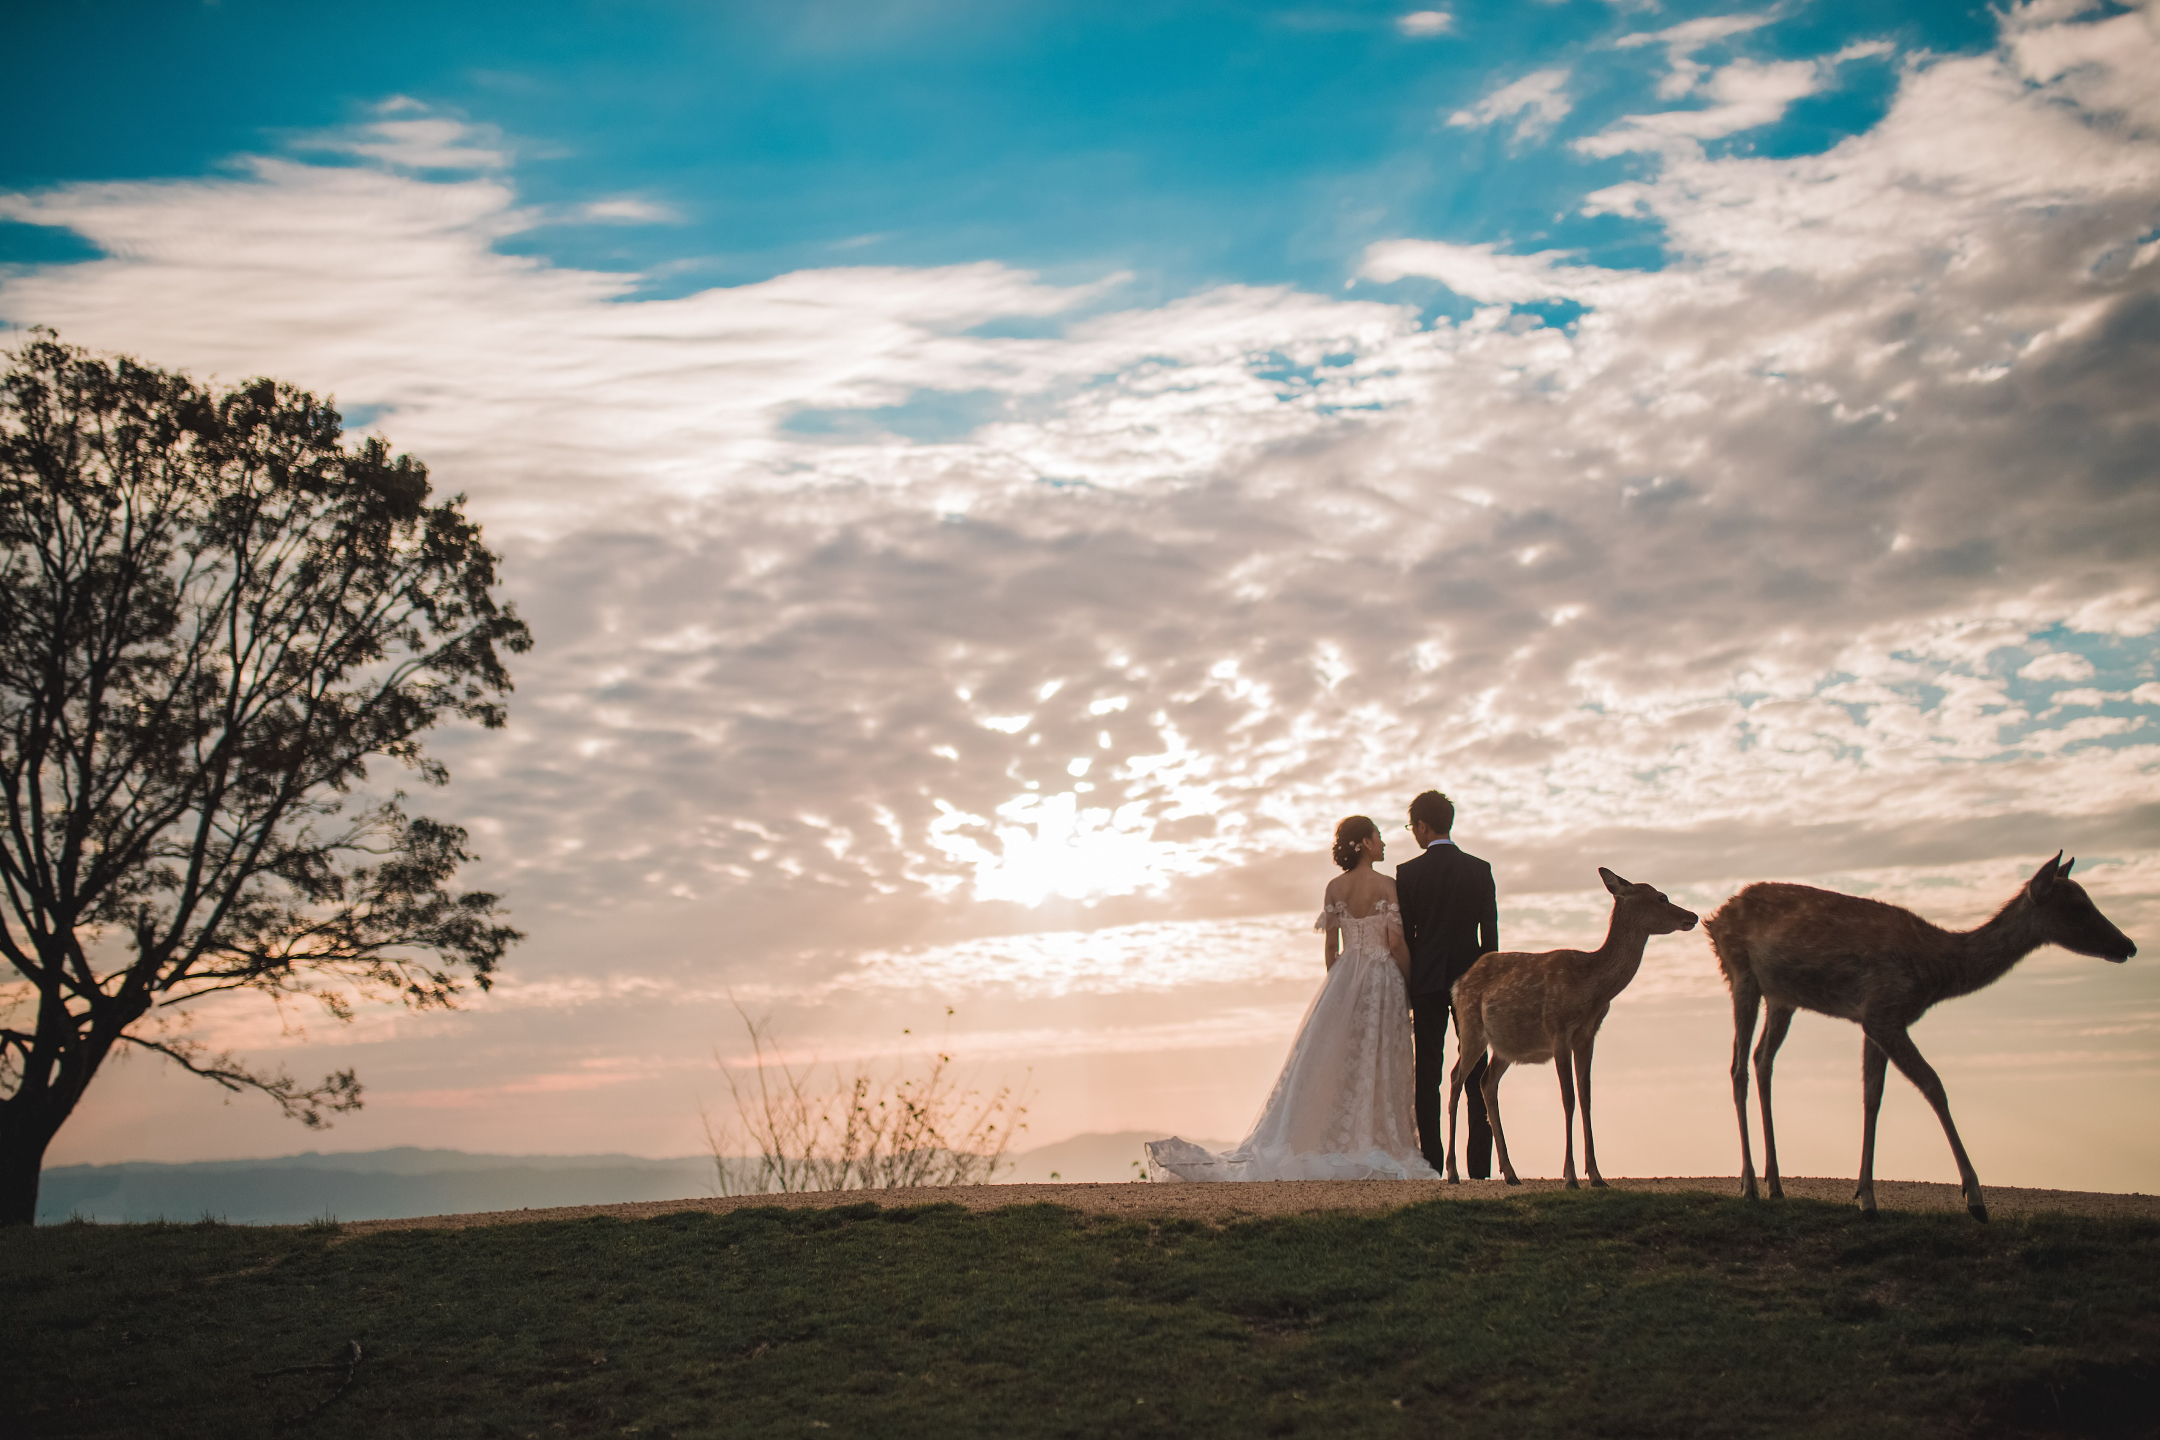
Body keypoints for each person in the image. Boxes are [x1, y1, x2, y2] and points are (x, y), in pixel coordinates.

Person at [1145, 816, 1439, 1182]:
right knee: (1378, 1060)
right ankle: (1371, 1133)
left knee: (1338, 1060)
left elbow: (1332, 949)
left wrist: (1339, 992)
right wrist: (1406, 986)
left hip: (1345, 977)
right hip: (1383, 981)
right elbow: (1395, 943)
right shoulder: (1386, 886)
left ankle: (1331, 1135)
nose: (1383, 843)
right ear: (1365, 842)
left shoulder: (1334, 888)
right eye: (1378, 837)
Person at [1394, 789, 1496, 1179]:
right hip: (1473, 980)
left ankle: (1433, 1165)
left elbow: (1407, 935)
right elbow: (1490, 936)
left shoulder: (1409, 873)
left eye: (1412, 828)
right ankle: (1479, 1169)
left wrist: (1411, 980)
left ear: (1422, 826)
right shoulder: (1479, 869)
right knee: (1476, 1071)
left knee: (1429, 1074)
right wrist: (1489, 982)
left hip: (1427, 979)